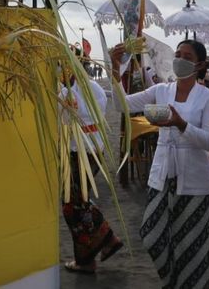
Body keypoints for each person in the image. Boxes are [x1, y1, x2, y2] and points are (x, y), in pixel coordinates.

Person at [110, 40, 209, 288]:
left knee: (191, 246)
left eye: (187, 56)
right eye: (178, 54)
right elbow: (121, 105)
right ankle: (172, 283)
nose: (180, 58)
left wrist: (182, 124)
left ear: (199, 64)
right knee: (151, 235)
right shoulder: (161, 91)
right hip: (162, 177)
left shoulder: (207, 97)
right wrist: (115, 69)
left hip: (195, 183)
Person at [61, 53, 123, 274]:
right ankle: (87, 257)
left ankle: (106, 238)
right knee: (75, 202)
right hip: (86, 147)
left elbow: (72, 112)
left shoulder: (80, 89)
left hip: (83, 150)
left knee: (72, 203)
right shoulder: (83, 86)